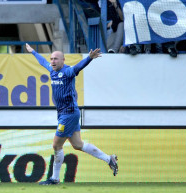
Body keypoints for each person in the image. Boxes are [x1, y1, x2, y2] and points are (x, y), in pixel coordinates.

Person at [25, 43, 118, 185]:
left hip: (68, 115)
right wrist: (33, 52)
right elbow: (42, 61)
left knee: (56, 145)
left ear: (63, 60)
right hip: (68, 113)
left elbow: (78, 67)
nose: (52, 61)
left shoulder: (67, 72)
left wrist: (89, 58)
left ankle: (55, 179)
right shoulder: (52, 70)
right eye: (51, 59)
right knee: (78, 144)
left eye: (56, 59)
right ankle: (108, 159)